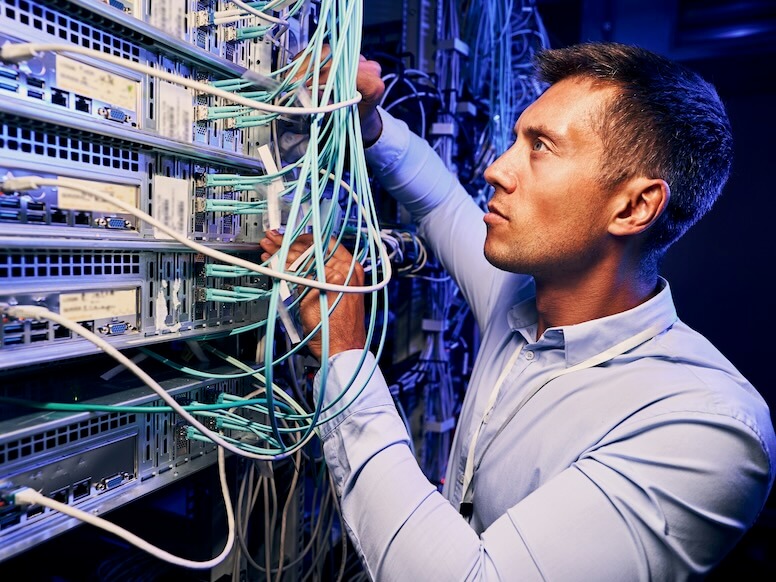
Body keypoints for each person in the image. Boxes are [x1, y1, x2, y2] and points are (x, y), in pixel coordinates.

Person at [260, 42, 776, 580]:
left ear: (633, 206)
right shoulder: (526, 299)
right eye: (517, 139)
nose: (495, 170)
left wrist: (344, 357)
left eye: (541, 147)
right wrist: (367, 122)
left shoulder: (707, 428)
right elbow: (440, 203)